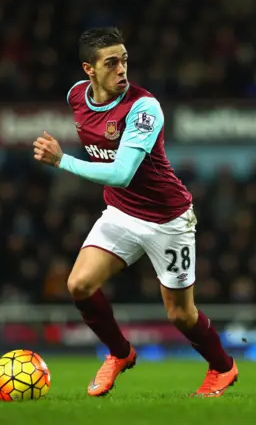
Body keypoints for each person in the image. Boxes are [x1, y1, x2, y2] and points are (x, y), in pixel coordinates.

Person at [32, 27, 238, 398]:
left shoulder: (144, 108)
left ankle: (223, 367)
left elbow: (122, 173)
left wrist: (62, 161)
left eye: (125, 59)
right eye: (111, 63)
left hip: (168, 219)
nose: (122, 69)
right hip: (122, 213)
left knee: (180, 315)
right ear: (88, 70)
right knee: (79, 284)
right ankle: (120, 353)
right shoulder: (76, 96)